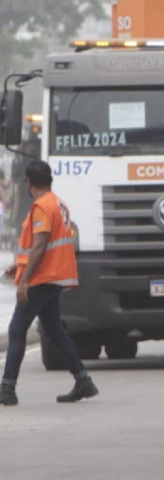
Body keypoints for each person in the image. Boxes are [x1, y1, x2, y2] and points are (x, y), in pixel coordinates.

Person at [1, 160, 98, 406]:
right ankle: (83, 380)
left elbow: (41, 244)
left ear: (28, 183)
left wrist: (24, 281)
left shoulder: (41, 207)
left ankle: (7, 388)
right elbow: (38, 246)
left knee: (16, 329)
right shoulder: (58, 203)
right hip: (53, 276)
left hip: (41, 279)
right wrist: (19, 265)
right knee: (54, 329)